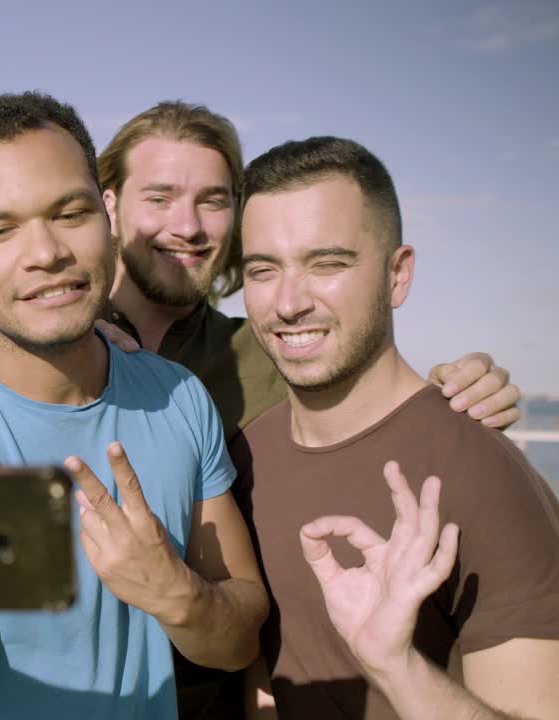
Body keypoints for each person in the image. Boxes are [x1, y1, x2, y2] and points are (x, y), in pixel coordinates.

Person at [0, 90, 268, 719]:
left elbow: (240, 639)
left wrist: (178, 595)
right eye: (0, 228)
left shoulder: (178, 399)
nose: (45, 253)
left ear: (107, 216)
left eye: (69, 213)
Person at [95, 100, 524, 719]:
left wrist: (459, 386)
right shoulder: (62, 350)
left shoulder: (272, 352)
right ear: (110, 205)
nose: (186, 225)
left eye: (214, 200)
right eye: (159, 198)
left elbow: (374, 397)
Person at [232, 136, 559, 719]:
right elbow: (265, 685)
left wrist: (397, 667)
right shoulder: (249, 454)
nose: (288, 302)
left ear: (397, 275)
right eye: (263, 269)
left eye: (326, 263)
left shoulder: (479, 470)